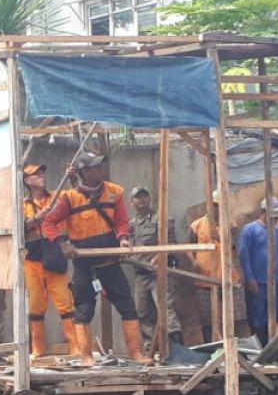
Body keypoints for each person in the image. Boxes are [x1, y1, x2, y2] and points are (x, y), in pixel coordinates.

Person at [42, 153, 151, 365]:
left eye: (100, 166)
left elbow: (121, 221)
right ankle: (86, 356)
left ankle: (137, 353)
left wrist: (123, 239)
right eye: (94, 168)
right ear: (83, 172)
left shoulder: (113, 192)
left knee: (128, 307)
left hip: (110, 263)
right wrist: (63, 243)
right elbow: (48, 223)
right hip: (85, 266)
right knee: (83, 311)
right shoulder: (70, 198)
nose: (99, 170)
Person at [21, 162, 78, 359]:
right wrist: (37, 218)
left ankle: (75, 346)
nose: (42, 177)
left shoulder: (57, 196)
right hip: (33, 257)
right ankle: (37, 349)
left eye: (43, 173)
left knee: (65, 301)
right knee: (36, 304)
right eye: (36, 175)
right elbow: (17, 228)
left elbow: (76, 197)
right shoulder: (22, 205)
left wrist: (72, 179)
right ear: (27, 181)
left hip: (54, 254)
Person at [128, 185, 182, 347]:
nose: (142, 200)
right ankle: (151, 348)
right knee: (143, 313)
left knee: (166, 311)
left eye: (145, 196)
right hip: (140, 274)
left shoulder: (161, 219)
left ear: (150, 199)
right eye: (138, 197)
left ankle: (176, 347)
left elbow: (172, 243)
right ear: (132, 202)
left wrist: (161, 256)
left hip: (158, 274)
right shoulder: (131, 225)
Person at [238, 197, 278, 347]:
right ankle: (259, 349)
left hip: (276, 282)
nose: (276, 218)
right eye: (274, 215)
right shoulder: (250, 230)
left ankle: (272, 348)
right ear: (264, 212)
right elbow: (244, 255)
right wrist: (249, 277)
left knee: (276, 317)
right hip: (258, 282)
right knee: (258, 318)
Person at [189, 189, 237, 341]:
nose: (215, 208)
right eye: (213, 205)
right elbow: (188, 247)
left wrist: (222, 238)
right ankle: (210, 346)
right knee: (206, 317)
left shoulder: (230, 224)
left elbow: (235, 248)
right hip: (204, 278)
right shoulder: (196, 225)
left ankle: (227, 345)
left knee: (228, 315)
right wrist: (193, 262)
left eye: (218, 205)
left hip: (225, 277)